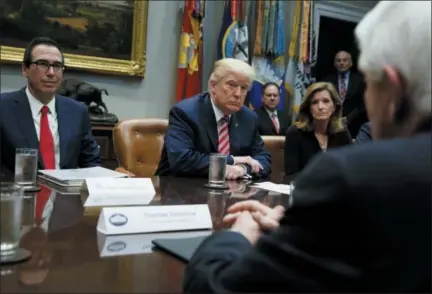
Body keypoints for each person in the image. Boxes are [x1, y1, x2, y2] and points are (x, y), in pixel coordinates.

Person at [183, 1, 432, 292]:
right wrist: (302, 231)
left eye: (370, 85)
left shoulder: (350, 175)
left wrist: (238, 234)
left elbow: (214, 287)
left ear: (393, 88)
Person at [0, 37, 100, 177]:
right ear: (25, 69)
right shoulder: (3, 108)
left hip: (65, 196)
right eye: (43, 64)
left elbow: (91, 164)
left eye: (57, 66)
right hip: (17, 195)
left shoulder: (77, 112)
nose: (51, 73)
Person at [155, 58, 271, 179]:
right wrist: (232, 160)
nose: (238, 94)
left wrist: (242, 168)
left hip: (231, 193)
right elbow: (182, 160)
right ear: (213, 85)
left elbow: (264, 159)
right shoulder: (185, 112)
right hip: (181, 190)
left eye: (244, 88)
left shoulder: (248, 117)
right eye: (231, 85)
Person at [284, 82, 352, 176]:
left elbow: (350, 171)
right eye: (315, 102)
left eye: (326, 101)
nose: (320, 107)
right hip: (305, 189)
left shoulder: (342, 133)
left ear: (334, 107)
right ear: (309, 108)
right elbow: (292, 174)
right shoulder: (295, 133)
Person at [322, 50, 367, 137]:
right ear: (335, 64)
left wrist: (349, 118)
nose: (341, 63)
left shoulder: (360, 80)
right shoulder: (326, 81)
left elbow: (364, 104)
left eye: (345, 60)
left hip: (355, 126)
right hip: (331, 126)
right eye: (338, 60)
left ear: (351, 63)